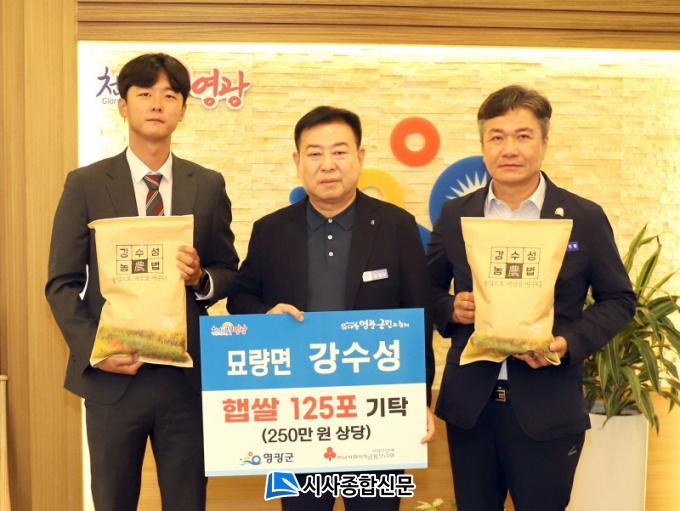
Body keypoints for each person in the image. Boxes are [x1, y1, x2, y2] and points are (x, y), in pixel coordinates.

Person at [427, 85, 636, 511]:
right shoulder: (455, 215)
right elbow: (425, 290)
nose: (509, 149)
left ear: (544, 141)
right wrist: (451, 308)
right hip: (471, 409)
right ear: (483, 145)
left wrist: (567, 343)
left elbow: (618, 299)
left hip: (548, 408)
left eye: (523, 136)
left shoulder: (583, 217)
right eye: (497, 136)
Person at [45, 53, 239, 511]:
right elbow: (61, 282)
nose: (157, 104)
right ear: (123, 106)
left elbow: (228, 269)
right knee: (112, 501)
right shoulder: (86, 184)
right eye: (145, 93)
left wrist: (201, 278)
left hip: (184, 381)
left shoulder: (207, 184)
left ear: (183, 110)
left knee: (187, 501)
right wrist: (97, 349)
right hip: (114, 378)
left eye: (169, 95)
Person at [228, 105, 435, 511]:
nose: (327, 164)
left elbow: (419, 317)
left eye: (339, 152)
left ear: (360, 157)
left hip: (375, 414)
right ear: (297, 161)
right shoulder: (271, 230)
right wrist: (266, 317)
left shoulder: (396, 226)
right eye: (314, 153)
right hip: (296, 416)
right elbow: (240, 298)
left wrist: (421, 399)